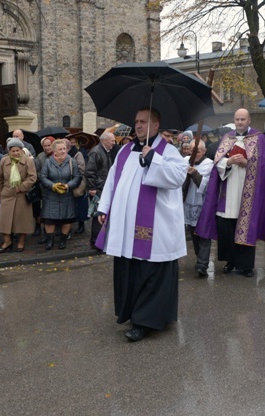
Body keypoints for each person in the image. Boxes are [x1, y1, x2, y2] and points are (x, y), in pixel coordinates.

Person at [96, 108, 187, 342]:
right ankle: (132, 312)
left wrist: (153, 159)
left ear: (156, 126)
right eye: (136, 121)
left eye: (144, 122)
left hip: (156, 227)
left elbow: (179, 177)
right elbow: (112, 180)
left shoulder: (168, 151)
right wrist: (103, 207)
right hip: (126, 226)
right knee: (130, 270)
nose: (138, 126)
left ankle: (144, 321)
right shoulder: (125, 150)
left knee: (150, 272)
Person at [195, 108, 265, 277]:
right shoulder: (227, 138)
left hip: (249, 192)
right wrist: (229, 161)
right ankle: (230, 262)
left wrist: (248, 163)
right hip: (228, 189)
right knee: (228, 228)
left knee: (246, 226)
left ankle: (246, 266)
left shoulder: (259, 139)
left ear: (249, 120)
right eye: (237, 119)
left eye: (243, 119)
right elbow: (217, 161)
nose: (240, 122)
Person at [0, 138, 37, 253]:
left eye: (17, 150)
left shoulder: (28, 161)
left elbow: (32, 177)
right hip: (7, 194)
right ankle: (7, 242)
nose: (15, 153)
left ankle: (21, 242)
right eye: (13, 151)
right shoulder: (4, 161)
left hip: (21, 195)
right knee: (4, 221)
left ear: (21, 150)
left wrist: (21, 187)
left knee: (22, 221)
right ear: (9, 151)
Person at [39, 139, 81, 250]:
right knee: (49, 219)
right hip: (51, 195)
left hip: (67, 195)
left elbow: (77, 177)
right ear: (54, 151)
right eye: (60, 149)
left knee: (67, 218)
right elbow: (42, 177)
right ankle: (50, 240)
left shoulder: (72, 161)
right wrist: (52, 185)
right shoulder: (48, 162)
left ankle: (63, 240)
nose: (63, 151)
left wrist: (68, 186)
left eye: (64, 149)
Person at [183, 140, 213, 277]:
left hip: (203, 203)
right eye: (193, 151)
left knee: (204, 233)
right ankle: (199, 258)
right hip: (188, 202)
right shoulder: (184, 161)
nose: (195, 154)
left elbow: (207, 186)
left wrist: (195, 174)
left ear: (204, 151)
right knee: (194, 233)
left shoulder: (209, 165)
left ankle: (202, 263)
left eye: (199, 151)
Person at [86, 131, 115, 248]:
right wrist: (92, 187)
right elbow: (90, 171)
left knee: (101, 215)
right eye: (112, 140)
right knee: (98, 215)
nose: (114, 143)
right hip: (98, 188)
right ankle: (95, 241)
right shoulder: (96, 152)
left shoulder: (105, 152)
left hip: (102, 186)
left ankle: (100, 240)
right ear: (104, 140)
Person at [33, 136, 55, 241]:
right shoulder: (40, 156)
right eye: (45, 146)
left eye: (49, 145)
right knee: (45, 212)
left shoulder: (57, 155)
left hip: (56, 187)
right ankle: (47, 235)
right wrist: (43, 178)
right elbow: (36, 170)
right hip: (43, 188)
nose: (47, 148)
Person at [65, 138, 88, 235]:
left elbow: (81, 169)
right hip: (66, 184)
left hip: (78, 184)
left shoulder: (77, 154)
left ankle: (81, 224)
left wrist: (69, 173)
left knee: (80, 205)